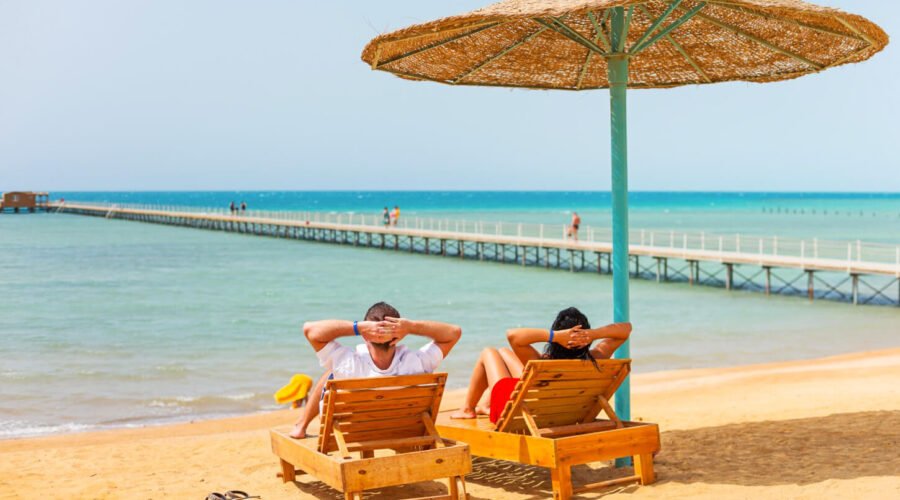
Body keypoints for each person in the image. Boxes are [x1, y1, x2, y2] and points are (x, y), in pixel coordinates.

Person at [290, 302, 462, 439]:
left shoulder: (347, 364)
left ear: (365, 335)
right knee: (333, 372)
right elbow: (454, 333)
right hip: (402, 430)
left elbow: (310, 330)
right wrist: (411, 327)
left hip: (351, 433)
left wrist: (357, 327)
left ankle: (301, 426)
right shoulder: (418, 364)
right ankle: (301, 425)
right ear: (398, 337)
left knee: (331, 374)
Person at [450, 307, 631, 419]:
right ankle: (484, 406)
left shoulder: (542, 363)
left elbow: (513, 335)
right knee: (504, 352)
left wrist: (555, 336)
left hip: (521, 416)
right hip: (565, 415)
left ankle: (467, 409)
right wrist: (594, 334)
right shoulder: (597, 357)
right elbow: (626, 329)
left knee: (488, 352)